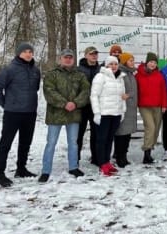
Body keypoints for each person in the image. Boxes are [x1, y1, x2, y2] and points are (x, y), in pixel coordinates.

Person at [0, 42, 41, 187]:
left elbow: (35, 88)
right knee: (6, 143)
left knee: (25, 142)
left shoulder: (36, 71)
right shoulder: (9, 69)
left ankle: (21, 168)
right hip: (13, 113)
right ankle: (0, 173)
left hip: (30, 112)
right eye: (25, 51)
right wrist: (6, 105)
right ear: (19, 53)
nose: (28, 54)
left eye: (30, 51)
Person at [38, 49, 90, 183]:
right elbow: (49, 91)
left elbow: (86, 90)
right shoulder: (51, 74)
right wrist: (64, 103)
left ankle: (73, 167)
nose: (68, 60)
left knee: (73, 143)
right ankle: (45, 170)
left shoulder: (80, 75)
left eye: (70, 58)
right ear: (60, 59)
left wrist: (76, 103)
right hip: (56, 115)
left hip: (73, 114)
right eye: (65, 57)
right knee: (51, 143)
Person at [90, 56, 127, 176]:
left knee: (110, 139)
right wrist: (97, 113)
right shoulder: (100, 77)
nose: (114, 66)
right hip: (104, 114)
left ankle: (107, 161)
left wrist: (122, 111)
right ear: (106, 65)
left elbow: (122, 96)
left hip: (116, 114)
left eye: (115, 64)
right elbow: (94, 95)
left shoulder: (120, 78)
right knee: (102, 139)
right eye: (111, 64)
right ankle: (102, 163)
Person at [136, 52, 167, 164]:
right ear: (147, 62)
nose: (152, 64)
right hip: (144, 106)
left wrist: (164, 105)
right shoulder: (139, 75)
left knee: (156, 129)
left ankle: (149, 151)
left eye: (154, 62)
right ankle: (146, 153)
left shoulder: (159, 75)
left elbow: (163, 91)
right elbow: (135, 90)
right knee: (151, 127)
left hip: (157, 106)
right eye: (151, 62)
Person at [77, 46, 101, 166]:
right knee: (78, 133)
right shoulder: (78, 70)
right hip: (82, 106)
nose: (94, 56)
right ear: (86, 55)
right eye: (91, 54)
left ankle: (95, 157)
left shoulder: (101, 69)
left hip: (96, 106)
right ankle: (75, 158)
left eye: (95, 54)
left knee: (96, 133)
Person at [114, 52, 138, 168]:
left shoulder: (131, 73)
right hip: (124, 107)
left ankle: (124, 156)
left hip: (131, 108)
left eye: (133, 60)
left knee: (127, 134)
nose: (133, 62)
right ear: (124, 62)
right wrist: (127, 95)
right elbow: (118, 89)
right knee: (121, 134)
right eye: (130, 60)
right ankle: (119, 157)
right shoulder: (121, 74)